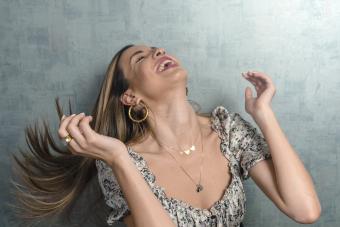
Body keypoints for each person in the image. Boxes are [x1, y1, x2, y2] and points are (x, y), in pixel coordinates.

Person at [10, 44, 321, 227]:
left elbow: (305, 210)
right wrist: (118, 158)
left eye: (156, 47)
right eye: (140, 58)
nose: (157, 50)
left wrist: (264, 115)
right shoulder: (123, 163)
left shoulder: (228, 131)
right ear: (130, 96)